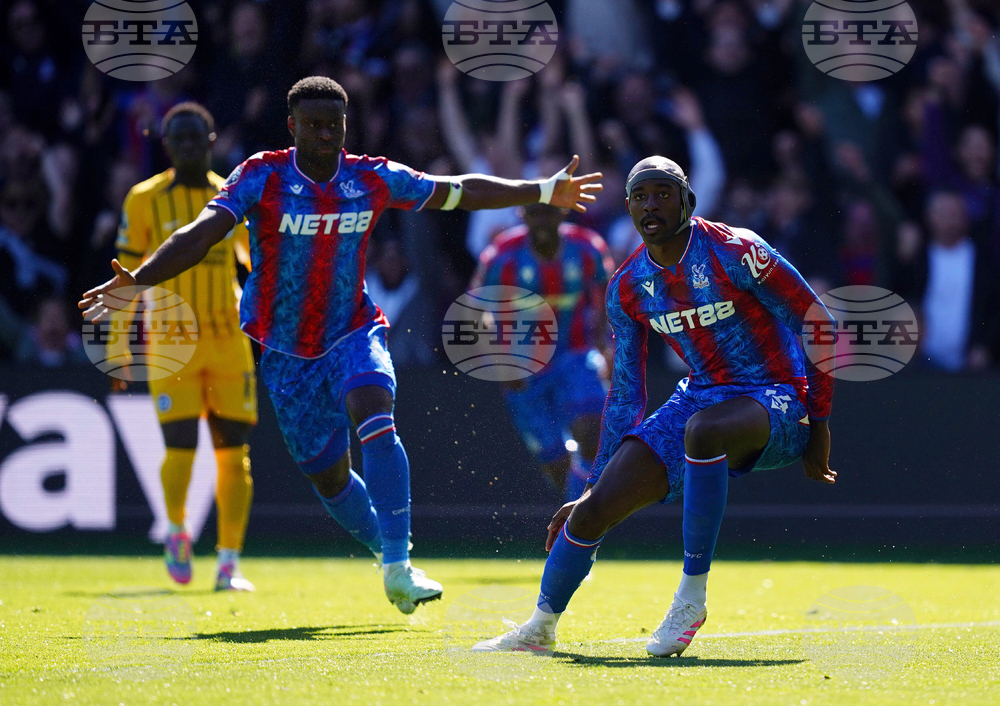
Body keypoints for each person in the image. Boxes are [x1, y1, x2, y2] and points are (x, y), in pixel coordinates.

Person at [81, 76, 603, 615]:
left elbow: (455, 190)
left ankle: (399, 564)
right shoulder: (262, 175)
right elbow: (203, 231)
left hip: (353, 329)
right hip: (286, 352)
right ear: (293, 127)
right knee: (329, 477)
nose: (326, 134)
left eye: (334, 124)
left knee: (374, 411)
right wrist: (140, 280)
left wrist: (540, 190)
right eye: (314, 125)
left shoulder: (369, 177)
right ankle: (386, 553)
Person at [473, 156, 835, 656]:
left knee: (702, 431)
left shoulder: (737, 250)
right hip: (701, 397)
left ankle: (691, 599)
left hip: (780, 396)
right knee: (591, 509)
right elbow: (626, 393)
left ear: (688, 201)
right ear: (627, 208)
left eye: (663, 193)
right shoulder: (628, 285)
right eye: (640, 197)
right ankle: (539, 629)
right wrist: (594, 481)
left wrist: (819, 423)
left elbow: (818, 322)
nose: (651, 205)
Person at [107, 102, 258, 592]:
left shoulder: (232, 196)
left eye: (198, 138)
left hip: (228, 340)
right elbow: (126, 278)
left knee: (233, 454)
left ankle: (229, 562)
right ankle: (176, 530)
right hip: (171, 344)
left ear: (212, 142)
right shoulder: (143, 199)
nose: (189, 146)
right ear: (167, 145)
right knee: (181, 448)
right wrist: (117, 348)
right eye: (180, 139)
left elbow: (256, 262)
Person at [470, 204, 615, 501]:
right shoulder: (501, 255)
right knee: (557, 465)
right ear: (522, 215)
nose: (542, 221)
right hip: (522, 369)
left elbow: (609, 294)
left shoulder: (588, 247)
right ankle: (576, 515)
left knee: (591, 432)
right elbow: (475, 309)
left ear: (563, 213)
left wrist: (607, 345)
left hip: (575, 355)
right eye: (535, 213)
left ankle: (585, 518)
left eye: (548, 212)